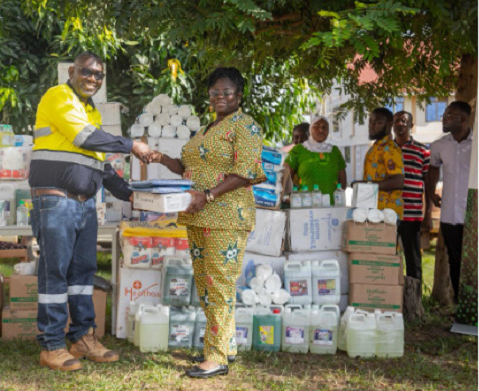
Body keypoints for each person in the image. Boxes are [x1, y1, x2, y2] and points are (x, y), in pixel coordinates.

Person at [28, 51, 152, 371]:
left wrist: (132, 196)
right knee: (55, 273)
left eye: (99, 75)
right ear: (72, 71)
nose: (93, 79)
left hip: (84, 204)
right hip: (56, 201)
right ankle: (52, 345)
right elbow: (85, 139)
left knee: (82, 275)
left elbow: (100, 166)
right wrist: (132, 145)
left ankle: (82, 336)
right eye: (87, 72)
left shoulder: (90, 111)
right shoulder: (59, 96)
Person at [150, 67, 266, 379]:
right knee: (206, 284)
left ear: (239, 96)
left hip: (227, 215)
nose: (220, 97)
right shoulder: (205, 130)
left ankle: (215, 357)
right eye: (215, 92)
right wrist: (159, 157)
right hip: (197, 214)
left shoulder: (246, 127)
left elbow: (246, 171)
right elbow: (185, 167)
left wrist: (210, 195)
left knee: (220, 285)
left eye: (227, 92)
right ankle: (225, 345)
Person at [427, 101, 473, 302]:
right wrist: (431, 192)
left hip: (475, 214)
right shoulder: (439, 145)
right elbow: (433, 168)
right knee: (455, 261)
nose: (443, 118)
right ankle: (461, 308)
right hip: (450, 215)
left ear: (462, 118)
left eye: (449, 114)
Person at [393, 111, 432, 282]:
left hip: (412, 215)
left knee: (413, 260)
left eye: (403, 121)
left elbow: (428, 183)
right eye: (396, 121)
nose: (399, 124)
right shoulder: (384, 150)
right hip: (388, 214)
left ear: (411, 126)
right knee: (386, 258)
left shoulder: (422, 150)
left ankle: (415, 303)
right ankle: (389, 298)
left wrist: (428, 214)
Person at [283, 116, 347, 202]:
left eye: (324, 127)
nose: (321, 130)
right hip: (305, 206)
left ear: (328, 131)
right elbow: (285, 175)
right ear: (310, 129)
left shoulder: (335, 151)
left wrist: (339, 201)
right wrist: (288, 197)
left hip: (331, 208)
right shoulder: (298, 150)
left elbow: (342, 183)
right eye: (316, 126)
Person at [355, 108, 404, 217]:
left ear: (389, 124)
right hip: (374, 211)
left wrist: (366, 185)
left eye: (378, 122)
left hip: (387, 213)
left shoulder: (390, 148)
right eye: (370, 122)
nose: (372, 126)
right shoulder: (375, 147)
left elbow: (398, 182)